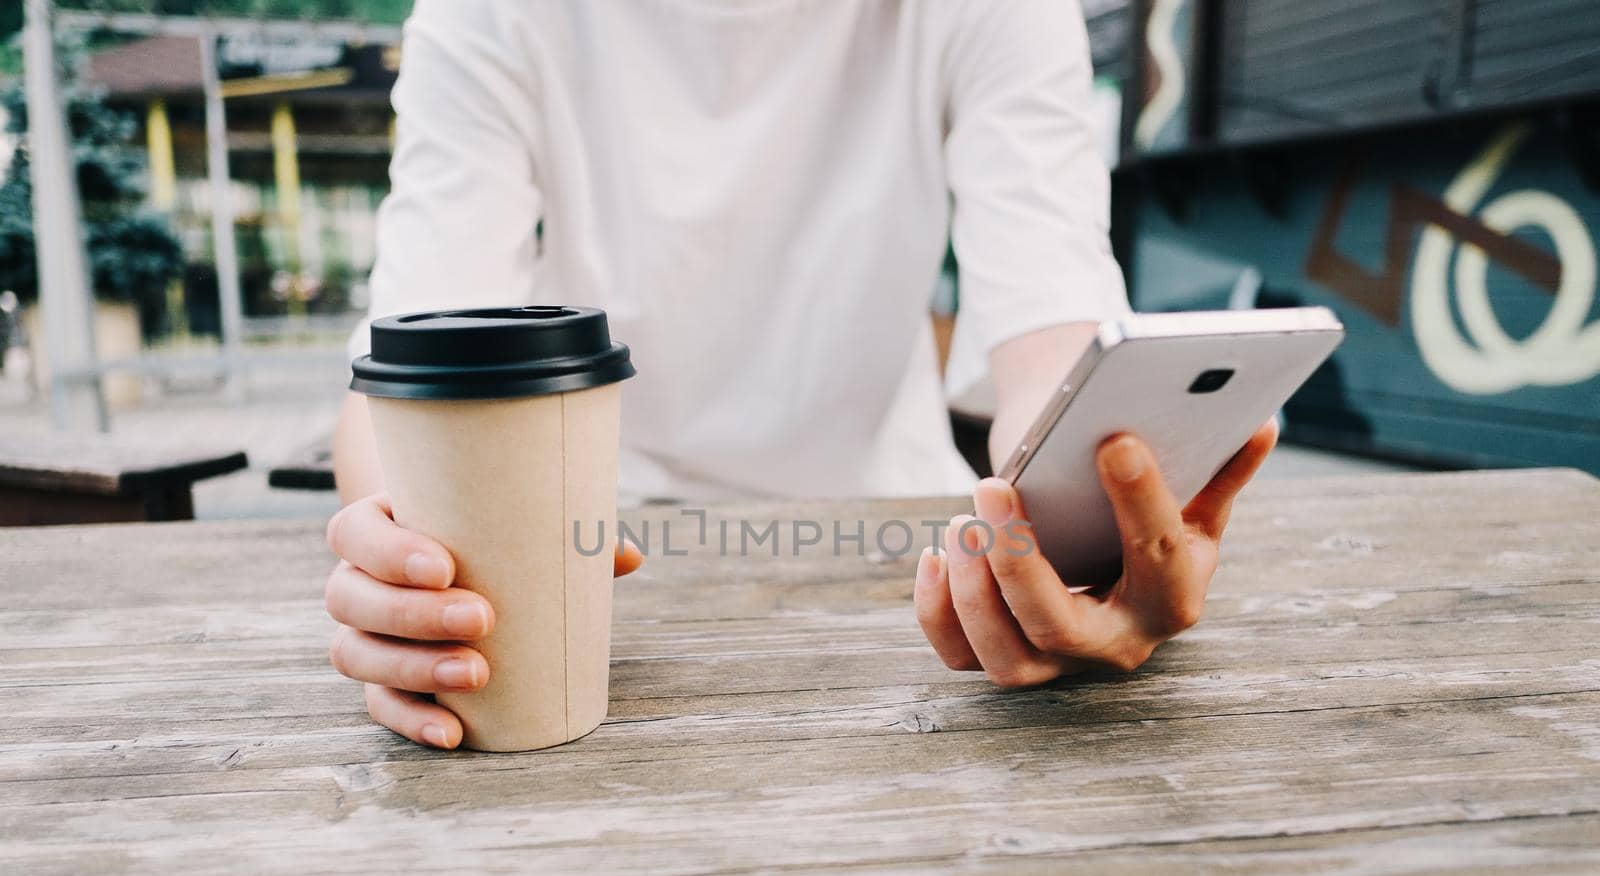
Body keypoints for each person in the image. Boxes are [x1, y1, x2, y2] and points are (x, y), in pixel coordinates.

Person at [324, 0, 1279, 749]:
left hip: (908, 565)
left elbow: (1055, 341)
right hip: (595, 564)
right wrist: (416, 580)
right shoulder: (487, 10)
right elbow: (404, 372)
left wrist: (1096, 525)